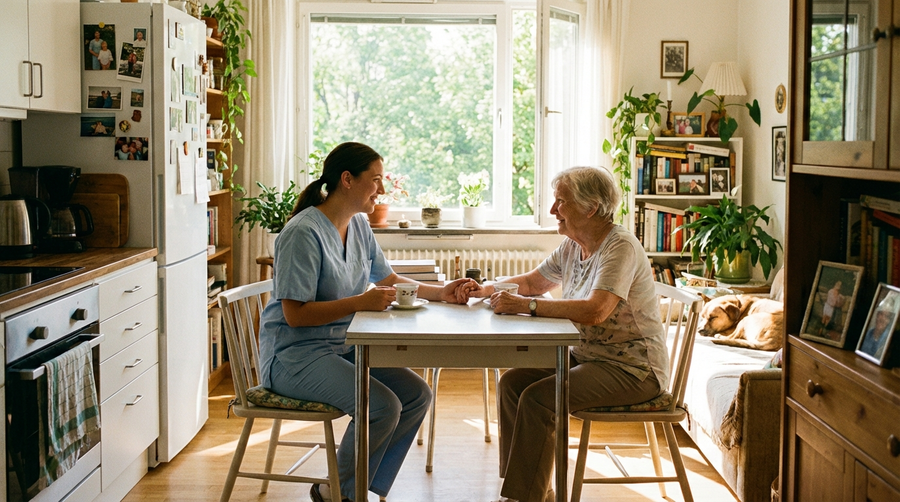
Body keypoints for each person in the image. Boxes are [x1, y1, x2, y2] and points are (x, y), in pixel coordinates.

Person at [257, 142, 479, 502]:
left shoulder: (359, 225)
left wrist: (442, 293)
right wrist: (360, 302)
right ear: (347, 179)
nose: (381, 189)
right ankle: (342, 494)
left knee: (416, 395)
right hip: (293, 358)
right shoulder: (302, 233)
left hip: (342, 347)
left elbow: (388, 279)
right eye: (375, 179)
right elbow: (295, 316)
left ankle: (351, 486)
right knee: (382, 406)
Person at [471, 166, 669, 502]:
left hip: (634, 370)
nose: (552, 211)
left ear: (590, 208)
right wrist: (481, 289)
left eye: (560, 202)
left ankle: (524, 496)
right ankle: (528, 487)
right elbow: (535, 282)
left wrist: (526, 306)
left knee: (539, 399)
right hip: (589, 357)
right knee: (512, 384)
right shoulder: (573, 246)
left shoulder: (619, 247)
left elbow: (596, 310)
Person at [860, 295, 896, 360]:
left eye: (886, 316)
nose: (882, 319)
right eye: (881, 314)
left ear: (890, 321)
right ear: (877, 315)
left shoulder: (887, 341)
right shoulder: (867, 333)